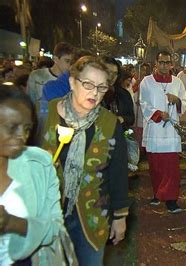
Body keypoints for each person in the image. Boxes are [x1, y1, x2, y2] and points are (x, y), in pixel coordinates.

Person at [41, 56, 130, 265]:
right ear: (72, 82)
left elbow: (117, 172)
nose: (95, 93)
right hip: (48, 214)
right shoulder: (49, 114)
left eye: (101, 87)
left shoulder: (109, 123)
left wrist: (120, 216)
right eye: (88, 84)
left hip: (92, 215)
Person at [0, 85, 75, 265]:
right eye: (12, 127)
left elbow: (55, 227)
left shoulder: (39, 165)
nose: (21, 136)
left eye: (27, 128)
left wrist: (13, 223)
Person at [139, 51, 186, 213]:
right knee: (156, 165)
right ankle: (157, 193)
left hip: (171, 132)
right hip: (154, 129)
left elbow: (185, 102)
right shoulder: (146, 82)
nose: (164, 66)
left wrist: (178, 101)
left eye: (167, 63)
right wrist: (158, 114)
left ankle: (171, 199)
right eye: (161, 62)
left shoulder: (177, 82)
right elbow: (144, 103)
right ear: (156, 63)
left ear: (171, 64)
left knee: (171, 167)